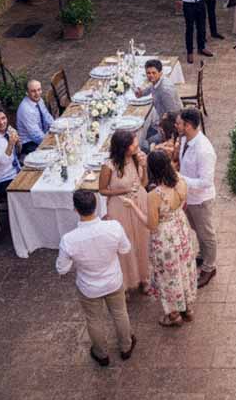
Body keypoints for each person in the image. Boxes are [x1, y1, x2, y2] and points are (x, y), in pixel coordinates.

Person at [56, 188, 137, 367]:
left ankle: (101, 354)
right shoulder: (113, 227)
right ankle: (126, 347)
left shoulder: (69, 239)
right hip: (113, 281)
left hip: (89, 287)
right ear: (96, 205)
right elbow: (125, 249)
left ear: (75, 209)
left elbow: (62, 269)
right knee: (120, 313)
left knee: (94, 320)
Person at [123, 151, 198, 327]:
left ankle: (173, 316)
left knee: (168, 275)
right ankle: (188, 310)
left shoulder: (155, 195)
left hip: (165, 237)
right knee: (184, 268)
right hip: (181, 229)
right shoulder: (181, 181)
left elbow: (151, 225)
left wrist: (133, 205)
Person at [97, 129, 150, 293]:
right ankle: (126, 282)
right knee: (124, 243)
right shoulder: (109, 166)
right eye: (133, 144)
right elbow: (102, 190)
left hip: (139, 202)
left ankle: (144, 278)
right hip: (119, 207)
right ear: (123, 147)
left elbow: (144, 183)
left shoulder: (136, 158)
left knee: (142, 241)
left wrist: (144, 167)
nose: (136, 146)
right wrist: (122, 191)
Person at [173, 108, 218, 288]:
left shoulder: (204, 150)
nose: (176, 126)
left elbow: (206, 181)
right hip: (189, 196)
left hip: (201, 200)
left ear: (189, 126)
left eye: (178, 123)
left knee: (207, 234)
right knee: (197, 228)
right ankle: (203, 255)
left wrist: (180, 178)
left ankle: (209, 267)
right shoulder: (185, 139)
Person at [133, 58, 183, 149]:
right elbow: (152, 87)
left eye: (153, 73)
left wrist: (162, 127)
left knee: (144, 143)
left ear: (160, 73)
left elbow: (174, 114)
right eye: (148, 73)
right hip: (162, 122)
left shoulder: (165, 90)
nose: (151, 75)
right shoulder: (157, 81)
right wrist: (141, 93)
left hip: (170, 129)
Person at [15, 79, 53, 156]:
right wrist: (51, 143)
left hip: (42, 134)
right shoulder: (26, 109)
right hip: (29, 143)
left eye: (39, 90)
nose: (37, 93)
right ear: (27, 93)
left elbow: (47, 116)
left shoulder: (39, 100)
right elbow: (36, 135)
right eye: (33, 91)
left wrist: (57, 127)